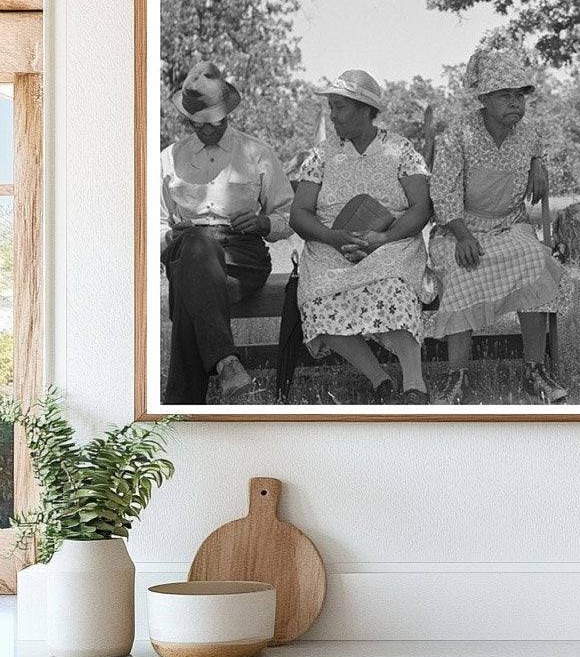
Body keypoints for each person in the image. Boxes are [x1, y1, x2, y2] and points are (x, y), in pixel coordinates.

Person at [428, 46, 567, 404]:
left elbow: (537, 153)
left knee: (535, 261)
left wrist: (538, 164)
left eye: (520, 95)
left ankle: (534, 370)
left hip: (509, 226)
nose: (515, 102)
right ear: (484, 99)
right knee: (462, 270)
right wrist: (462, 236)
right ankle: (456, 376)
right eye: (505, 95)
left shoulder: (529, 135)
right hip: (458, 229)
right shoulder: (458, 134)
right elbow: (442, 192)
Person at [289, 69, 434, 404]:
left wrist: (382, 239)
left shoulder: (400, 150)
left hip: (391, 242)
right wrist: (333, 237)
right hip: (331, 246)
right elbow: (299, 213)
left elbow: (421, 207)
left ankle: (415, 384)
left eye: (339, 107)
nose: (333, 115)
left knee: (393, 288)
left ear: (365, 109)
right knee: (317, 298)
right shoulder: (321, 155)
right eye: (331, 107)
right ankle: (381, 381)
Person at [160, 61, 294, 404]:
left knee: (190, 285)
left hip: (241, 255)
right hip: (187, 247)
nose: (209, 130)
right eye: (200, 123)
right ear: (189, 120)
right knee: (193, 247)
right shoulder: (169, 159)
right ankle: (227, 363)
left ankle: (181, 409)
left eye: (216, 122)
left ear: (228, 114)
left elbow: (288, 214)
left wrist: (263, 223)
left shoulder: (257, 153)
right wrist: (169, 236)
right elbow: (155, 223)